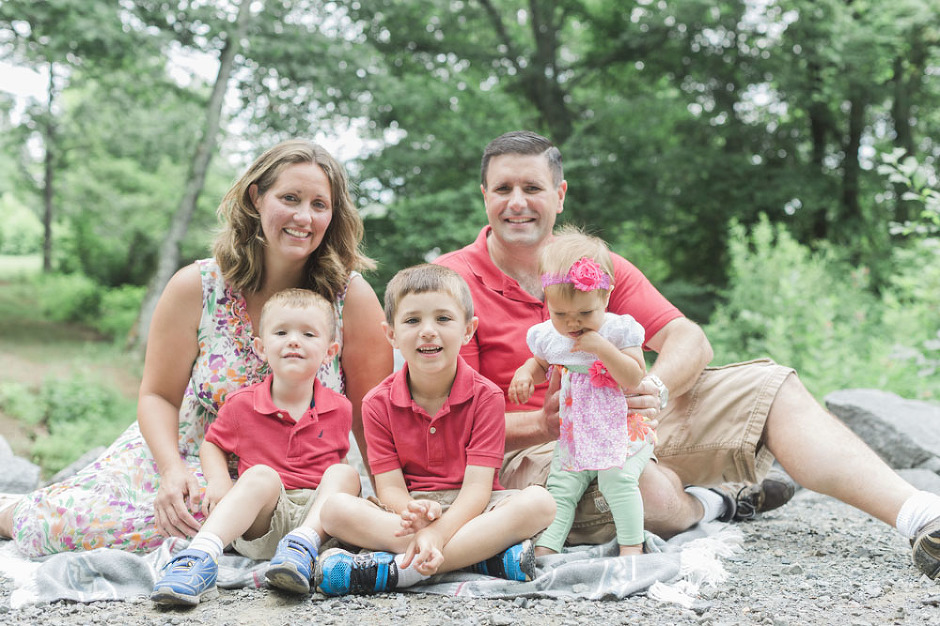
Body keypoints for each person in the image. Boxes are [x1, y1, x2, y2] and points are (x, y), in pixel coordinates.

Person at [434, 130, 940, 578]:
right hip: (544, 450)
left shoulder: (597, 268)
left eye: (532, 188)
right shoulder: (450, 283)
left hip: (631, 421)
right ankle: (716, 501)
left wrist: (654, 389)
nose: (516, 202)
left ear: (559, 196)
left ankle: (921, 515)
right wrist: (543, 423)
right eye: (503, 189)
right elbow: (449, 418)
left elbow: (689, 339)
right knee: (649, 492)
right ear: (484, 197)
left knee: (772, 386)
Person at [0, 139, 392, 557]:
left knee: (217, 524)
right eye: (290, 198)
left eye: (319, 204)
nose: (303, 217)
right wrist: (172, 472)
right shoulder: (198, 286)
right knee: (77, 524)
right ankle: (13, 511)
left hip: (296, 472)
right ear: (256, 198)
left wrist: (387, 499)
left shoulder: (349, 297)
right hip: (189, 452)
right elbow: (158, 395)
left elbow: (374, 415)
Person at [313, 264, 556, 595]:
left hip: (473, 511)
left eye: (443, 319)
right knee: (334, 510)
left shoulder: (486, 396)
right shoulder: (376, 403)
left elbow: (477, 489)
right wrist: (413, 513)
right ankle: (480, 559)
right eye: (412, 321)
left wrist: (439, 533)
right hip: (411, 510)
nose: (428, 331)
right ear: (391, 334)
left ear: (468, 330)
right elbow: (388, 487)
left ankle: (398, 571)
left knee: (540, 503)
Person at [151, 288, 361, 606]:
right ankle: (200, 556)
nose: (293, 340)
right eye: (281, 332)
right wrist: (220, 482)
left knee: (345, 473)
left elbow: (336, 461)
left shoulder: (340, 408)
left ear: (329, 352)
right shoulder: (242, 405)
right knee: (261, 474)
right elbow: (213, 445)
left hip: (316, 526)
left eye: (308, 333)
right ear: (261, 348)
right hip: (261, 522)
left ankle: (299, 548)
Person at [508, 227, 654, 558]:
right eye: (561, 314)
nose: (573, 324)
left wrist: (603, 349)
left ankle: (632, 547)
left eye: (585, 314)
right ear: (548, 303)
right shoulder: (550, 335)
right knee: (560, 487)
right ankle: (546, 549)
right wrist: (525, 374)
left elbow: (634, 376)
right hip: (575, 431)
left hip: (620, 428)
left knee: (617, 481)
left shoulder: (618, 330)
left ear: (605, 297)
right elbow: (538, 362)